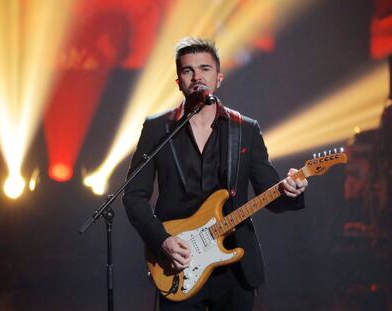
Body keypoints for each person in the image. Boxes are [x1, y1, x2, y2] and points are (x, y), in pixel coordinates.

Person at [123, 37, 308, 311]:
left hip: (235, 266)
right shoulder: (158, 129)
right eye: (188, 70)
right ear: (178, 81)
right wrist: (162, 241)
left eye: (205, 68)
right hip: (178, 263)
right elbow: (134, 196)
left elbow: (270, 193)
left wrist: (292, 189)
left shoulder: (245, 129)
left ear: (219, 78)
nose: (197, 76)